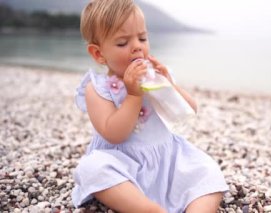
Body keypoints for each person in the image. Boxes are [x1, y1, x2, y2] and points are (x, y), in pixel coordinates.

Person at [71, 0, 229, 212]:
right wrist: (134, 95)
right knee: (92, 169)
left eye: (142, 38)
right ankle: (150, 209)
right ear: (99, 54)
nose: (137, 46)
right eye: (122, 43)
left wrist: (170, 85)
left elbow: (189, 110)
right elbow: (114, 134)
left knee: (207, 171)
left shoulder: (155, 79)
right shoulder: (97, 89)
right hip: (122, 162)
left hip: (168, 160)